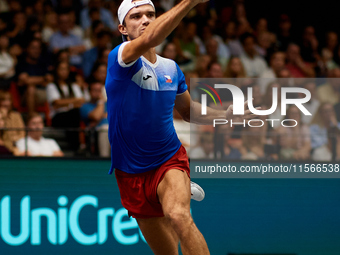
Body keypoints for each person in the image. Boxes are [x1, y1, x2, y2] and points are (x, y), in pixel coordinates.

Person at [106, 0, 254, 254]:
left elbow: (187, 111)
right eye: (136, 16)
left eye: (151, 14)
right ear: (123, 28)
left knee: (179, 216)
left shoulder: (171, 69)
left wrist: (226, 116)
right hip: (130, 172)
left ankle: (180, 184)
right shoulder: (120, 58)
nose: (145, 20)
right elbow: (152, 37)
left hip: (167, 158)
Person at [80, 81, 110, 157]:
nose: (98, 93)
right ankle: (104, 159)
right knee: (105, 128)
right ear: (89, 92)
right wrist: (100, 102)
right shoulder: (85, 106)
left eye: (99, 90)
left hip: (114, 131)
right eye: (95, 90)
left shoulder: (109, 104)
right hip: (96, 133)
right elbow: (96, 116)